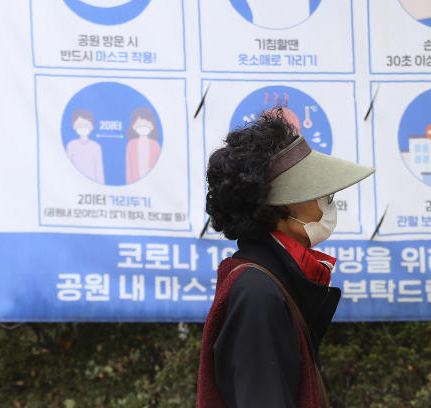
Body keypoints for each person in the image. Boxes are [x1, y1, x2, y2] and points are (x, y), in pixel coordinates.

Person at [196, 107, 375, 408]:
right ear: (283, 208)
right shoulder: (257, 292)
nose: (329, 204)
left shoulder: (271, 281)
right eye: (322, 194)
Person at [65, 108, 104, 183]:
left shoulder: (96, 147)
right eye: (79, 125)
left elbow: (99, 171)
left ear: (92, 127)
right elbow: (68, 168)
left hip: (93, 185)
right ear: (74, 126)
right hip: (75, 183)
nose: (83, 127)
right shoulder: (71, 146)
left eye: (86, 125)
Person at [125, 106, 162, 184]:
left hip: (153, 183)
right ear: (133, 126)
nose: (143, 127)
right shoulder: (130, 145)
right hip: (135, 181)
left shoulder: (155, 145)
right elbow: (129, 167)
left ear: (152, 126)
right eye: (139, 124)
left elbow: (159, 165)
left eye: (146, 124)